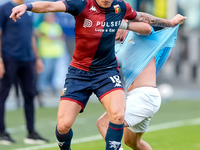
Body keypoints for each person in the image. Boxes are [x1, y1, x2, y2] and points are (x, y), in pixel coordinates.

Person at [9, 0, 186, 149]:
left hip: (106, 72)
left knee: (116, 116)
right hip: (78, 73)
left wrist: (170, 23)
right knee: (63, 126)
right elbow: (49, 6)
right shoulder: (82, 5)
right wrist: (28, 6)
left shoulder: (120, 8)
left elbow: (144, 21)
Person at [97, 21, 181, 150]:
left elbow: (147, 28)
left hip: (145, 96)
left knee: (104, 123)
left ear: (123, 22)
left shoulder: (138, 34)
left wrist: (125, 23)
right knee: (132, 142)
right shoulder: (118, 48)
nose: (110, 30)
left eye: (112, 26)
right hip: (135, 98)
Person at [0, 0, 49, 145]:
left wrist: (37, 58)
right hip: (10, 58)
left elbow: (31, 35)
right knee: (3, 95)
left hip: (28, 59)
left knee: (29, 95)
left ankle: (31, 132)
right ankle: (2, 132)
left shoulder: (28, 10)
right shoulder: (4, 8)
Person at [36, 13, 66, 94]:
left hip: (56, 52)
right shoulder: (43, 26)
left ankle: (51, 87)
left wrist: (54, 37)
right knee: (45, 71)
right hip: (46, 53)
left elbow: (62, 36)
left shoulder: (56, 26)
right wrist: (50, 36)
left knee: (53, 71)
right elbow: (39, 34)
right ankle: (41, 87)